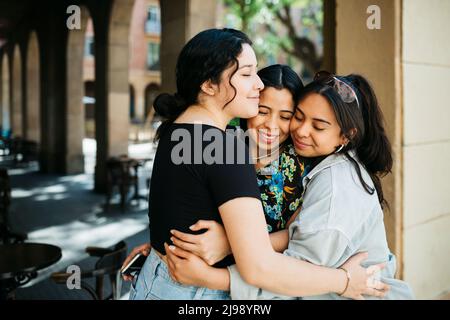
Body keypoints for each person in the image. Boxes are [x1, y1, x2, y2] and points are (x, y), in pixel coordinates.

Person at [128, 28, 387, 300]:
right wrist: (345, 281)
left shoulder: (178, 130)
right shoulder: (225, 147)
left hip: (159, 282)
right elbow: (259, 267)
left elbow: (187, 207)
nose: (259, 84)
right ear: (209, 84)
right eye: (246, 73)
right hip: (192, 292)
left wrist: (163, 244)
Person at [164, 71, 414, 300]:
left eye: (286, 116)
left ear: (346, 135)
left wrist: (223, 256)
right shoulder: (228, 146)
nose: (301, 131)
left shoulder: (316, 175)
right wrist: (161, 242)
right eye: (299, 117)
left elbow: (292, 268)